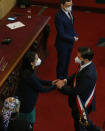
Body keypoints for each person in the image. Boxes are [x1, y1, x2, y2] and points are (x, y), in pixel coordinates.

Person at [55, 47, 103, 131]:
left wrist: (61, 87)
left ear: (86, 59)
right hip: (79, 100)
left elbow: (75, 91)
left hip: (82, 103)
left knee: (81, 125)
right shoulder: (85, 65)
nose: (76, 58)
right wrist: (65, 81)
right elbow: (76, 75)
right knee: (79, 123)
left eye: (79, 57)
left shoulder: (88, 75)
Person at [15, 51, 56, 130]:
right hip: (27, 105)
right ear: (31, 63)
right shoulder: (30, 76)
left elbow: (38, 81)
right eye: (36, 59)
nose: (39, 60)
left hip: (26, 101)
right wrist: (56, 86)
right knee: (29, 125)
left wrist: (51, 83)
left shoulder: (27, 70)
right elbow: (42, 89)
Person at [54, 0, 79, 79]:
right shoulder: (58, 17)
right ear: (61, 5)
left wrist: (75, 34)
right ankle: (60, 79)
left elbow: (71, 26)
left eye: (71, 5)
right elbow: (61, 34)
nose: (70, 7)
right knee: (62, 63)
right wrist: (72, 38)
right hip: (62, 44)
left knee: (67, 61)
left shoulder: (70, 11)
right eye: (67, 6)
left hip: (70, 43)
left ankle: (65, 77)